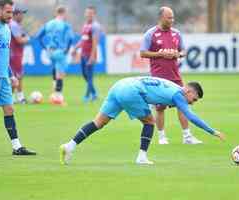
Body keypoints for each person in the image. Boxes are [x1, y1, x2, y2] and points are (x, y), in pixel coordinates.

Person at [60, 76, 225, 165]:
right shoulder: (179, 94)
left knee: (98, 122)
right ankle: (141, 157)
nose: (191, 102)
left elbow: (155, 92)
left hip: (120, 85)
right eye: (193, 99)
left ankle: (70, 145)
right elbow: (191, 117)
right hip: (131, 90)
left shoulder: (173, 88)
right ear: (188, 90)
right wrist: (212, 131)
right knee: (149, 122)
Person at [140, 7, 201, 145]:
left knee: (182, 105)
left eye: (172, 17)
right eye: (169, 18)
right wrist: (161, 54)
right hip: (158, 78)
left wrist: (178, 54)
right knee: (160, 108)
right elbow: (142, 53)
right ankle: (162, 137)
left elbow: (184, 50)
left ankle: (187, 137)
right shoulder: (151, 34)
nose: (172, 20)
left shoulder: (176, 33)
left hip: (175, 76)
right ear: (161, 17)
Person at [0, 0, 36, 155]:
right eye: (8, 12)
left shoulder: (6, 28)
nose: (11, 15)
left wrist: (11, 75)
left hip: (4, 77)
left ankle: (17, 147)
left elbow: (3, 57)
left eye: (12, 12)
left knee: (9, 109)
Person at [36, 5, 74, 105]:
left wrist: (45, 47)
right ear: (64, 13)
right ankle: (58, 97)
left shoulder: (49, 23)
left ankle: (54, 93)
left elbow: (38, 36)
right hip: (60, 51)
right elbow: (70, 39)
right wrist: (67, 50)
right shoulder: (65, 25)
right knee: (60, 74)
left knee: (55, 70)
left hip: (50, 51)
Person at [72, 6, 100, 102]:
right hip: (83, 54)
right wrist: (75, 48)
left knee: (89, 76)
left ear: (94, 14)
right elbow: (83, 40)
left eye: (91, 13)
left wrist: (92, 56)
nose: (89, 15)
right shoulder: (85, 25)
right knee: (85, 75)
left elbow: (95, 43)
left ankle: (87, 96)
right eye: (87, 13)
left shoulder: (95, 26)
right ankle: (94, 93)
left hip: (89, 55)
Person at [9, 5, 29, 104]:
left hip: (14, 54)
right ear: (16, 14)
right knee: (17, 76)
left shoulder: (14, 25)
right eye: (21, 14)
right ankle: (18, 98)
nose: (23, 16)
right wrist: (26, 39)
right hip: (14, 54)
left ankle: (15, 97)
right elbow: (19, 40)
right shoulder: (14, 25)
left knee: (16, 76)